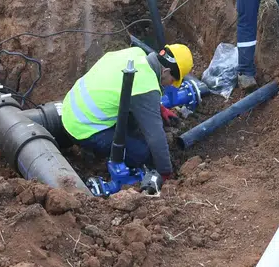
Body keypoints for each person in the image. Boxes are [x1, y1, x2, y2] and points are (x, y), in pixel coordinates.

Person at [60, 43, 193, 180]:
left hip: (70, 108)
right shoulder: (146, 88)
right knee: (142, 152)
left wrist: (160, 109)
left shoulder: (135, 53)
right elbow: (155, 137)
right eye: (173, 80)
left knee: (134, 123)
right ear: (166, 71)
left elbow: (126, 87)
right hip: (83, 129)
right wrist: (166, 172)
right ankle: (99, 155)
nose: (171, 84)